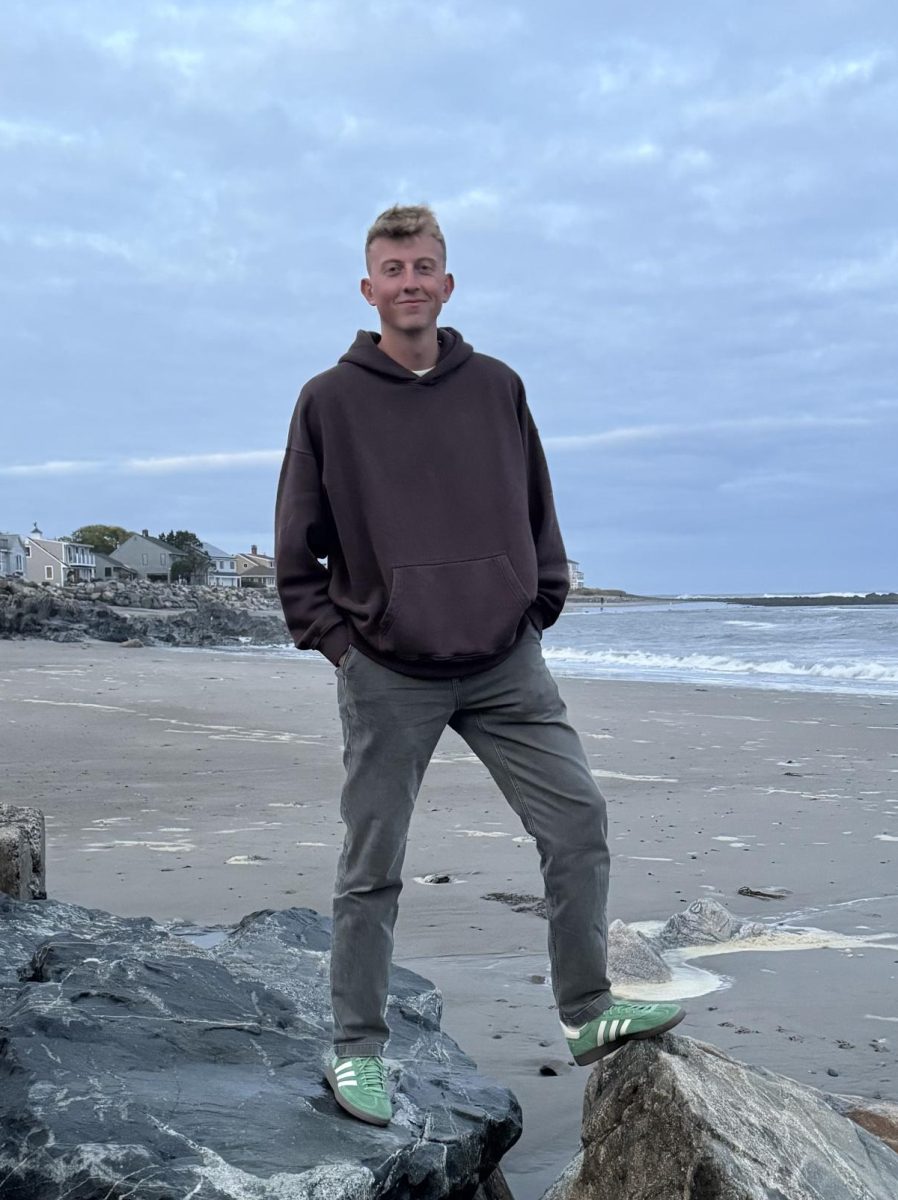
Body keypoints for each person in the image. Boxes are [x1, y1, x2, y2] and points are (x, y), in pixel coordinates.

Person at [274, 204, 684, 1127]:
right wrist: (342, 645)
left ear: (448, 284)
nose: (410, 281)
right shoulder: (328, 400)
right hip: (386, 667)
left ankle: (588, 1011)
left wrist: (535, 604)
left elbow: (537, 504)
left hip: (506, 663)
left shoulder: (496, 385)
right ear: (368, 287)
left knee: (578, 822)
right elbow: (297, 549)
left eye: (424, 266)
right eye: (393, 267)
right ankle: (357, 1052)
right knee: (372, 865)